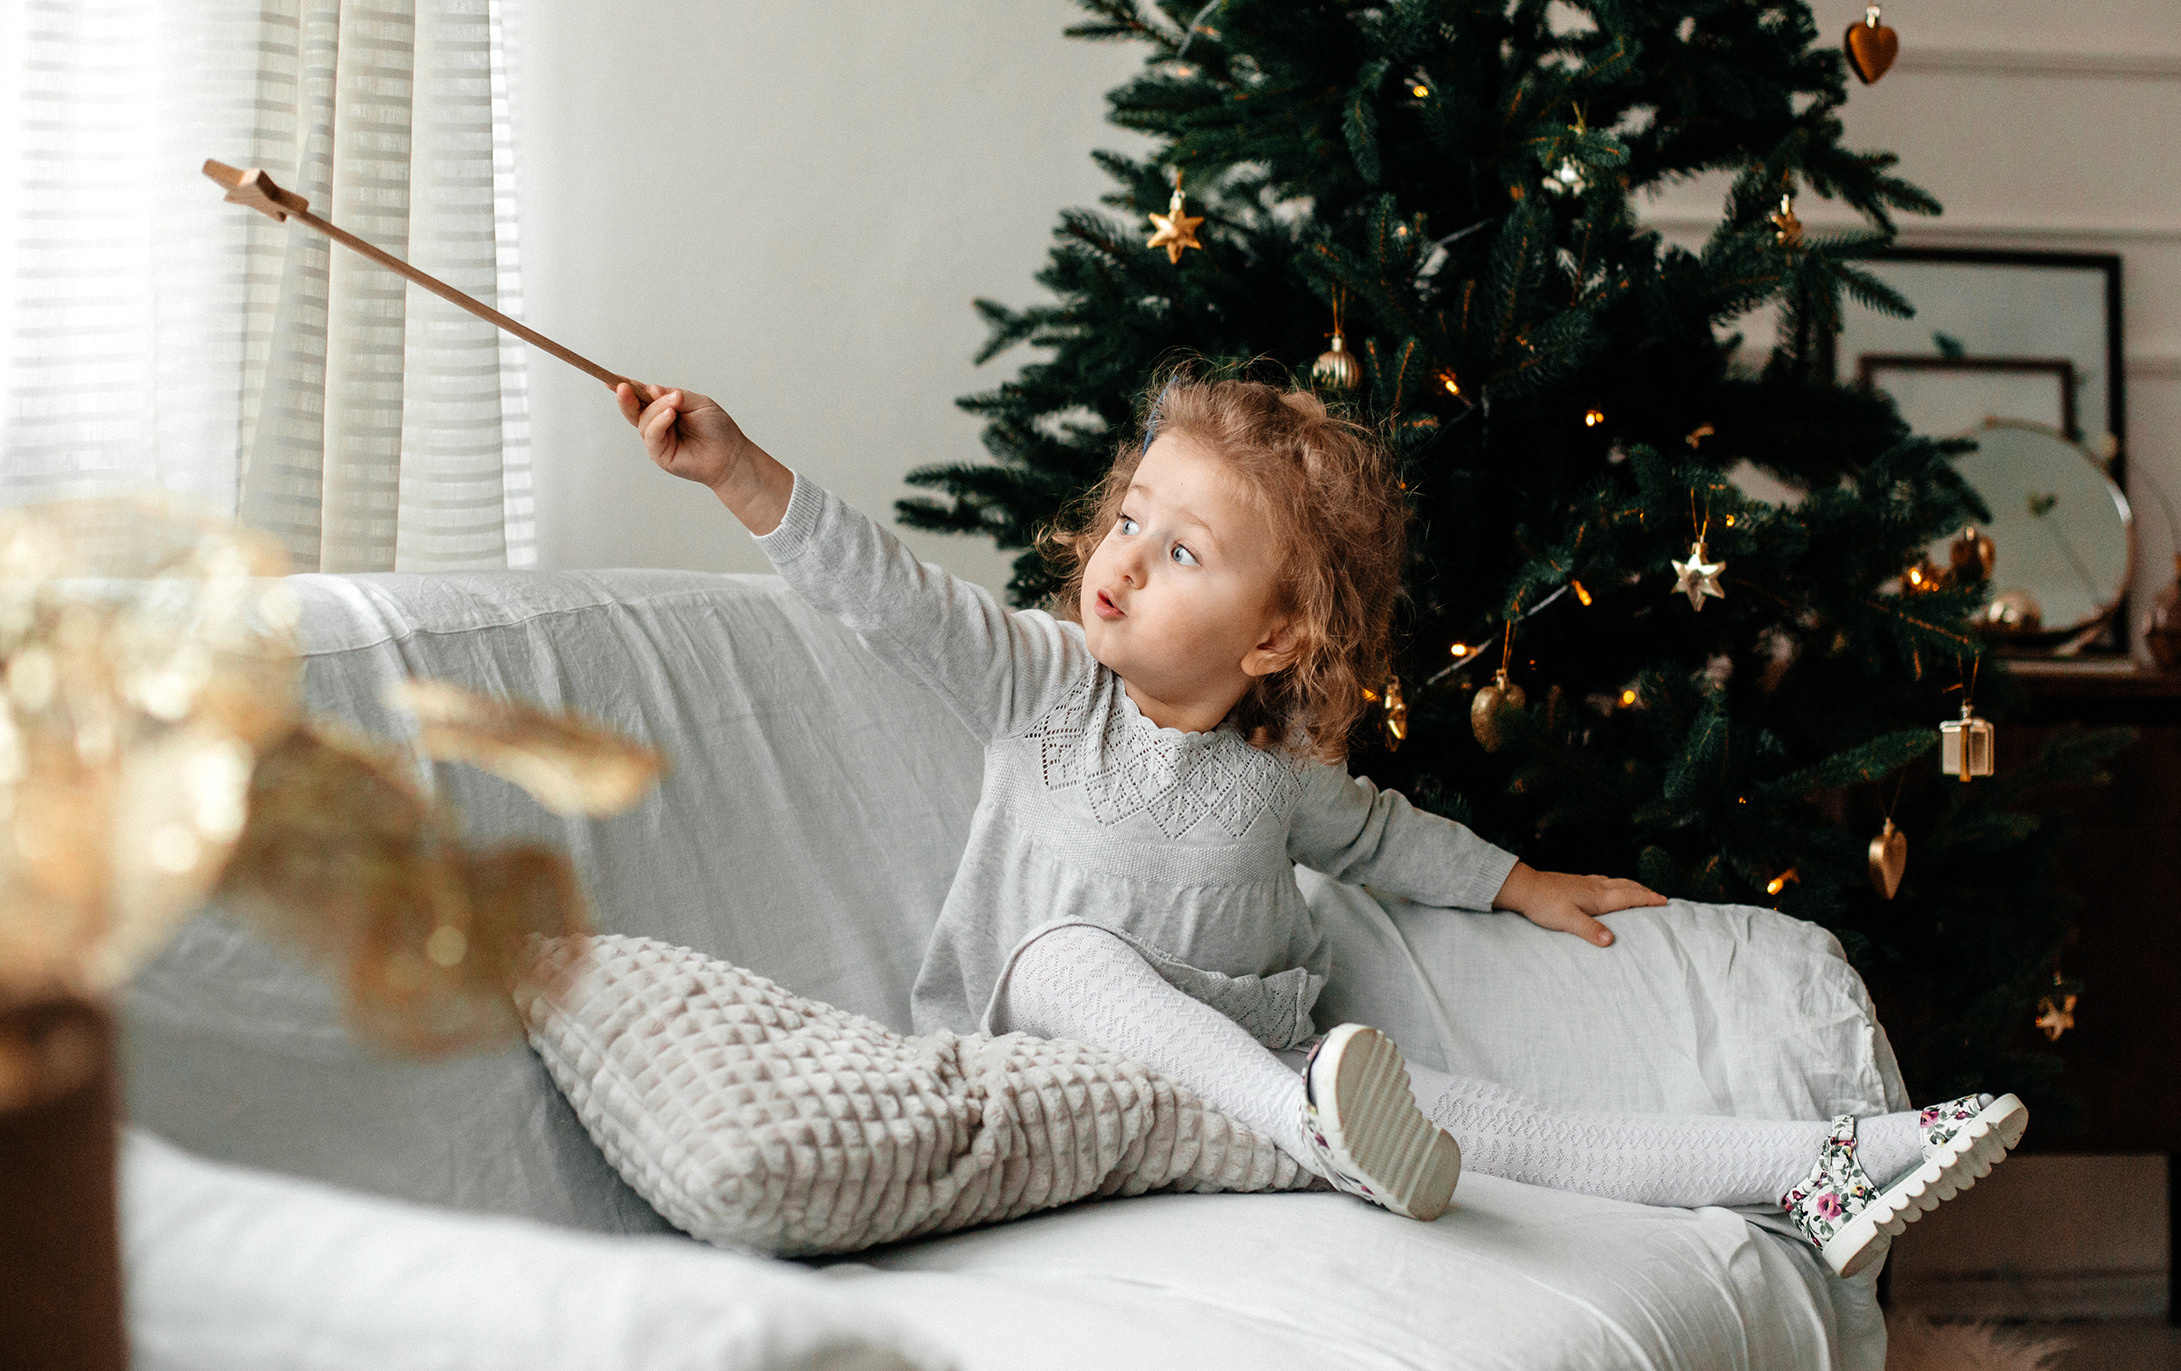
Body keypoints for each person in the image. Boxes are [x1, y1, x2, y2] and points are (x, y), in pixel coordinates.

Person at [616, 367, 2023, 1277]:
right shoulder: (1039, 689)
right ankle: (1315, 1123)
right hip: (1061, 1074)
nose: (1121, 563)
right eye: (1129, 520)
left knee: (1513, 1126)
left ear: (1278, 635)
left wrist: (1522, 881)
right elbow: (887, 592)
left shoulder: (1271, 774)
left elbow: (1381, 837)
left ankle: (1827, 1170)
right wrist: (742, 471)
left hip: (1257, 1097)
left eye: (1182, 554)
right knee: (1061, 956)